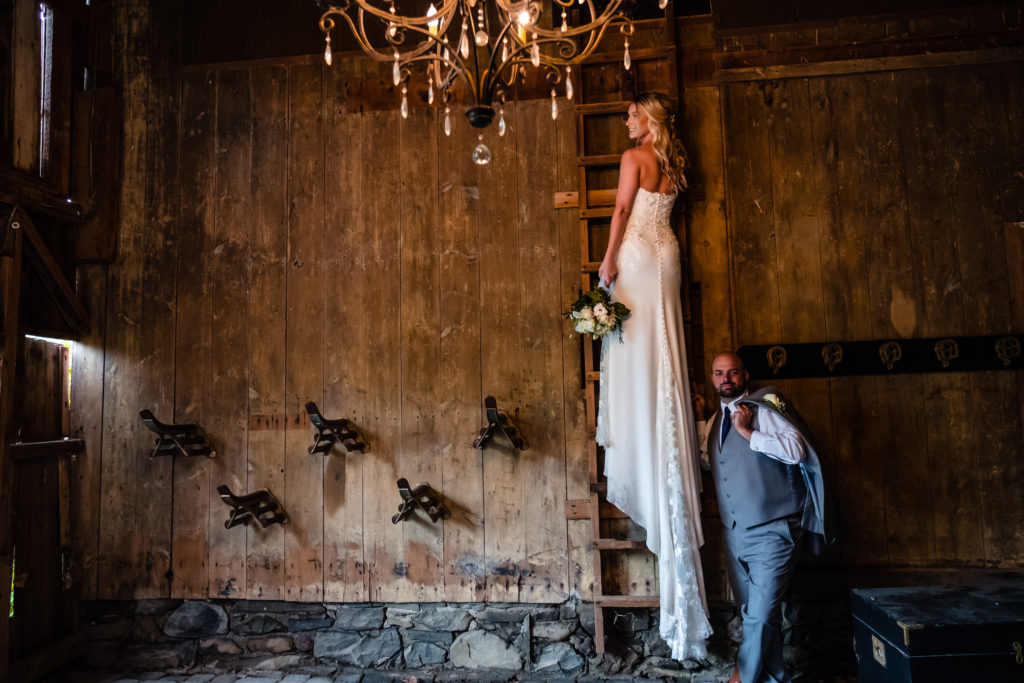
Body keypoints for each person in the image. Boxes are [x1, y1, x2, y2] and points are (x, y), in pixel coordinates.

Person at [595, 91, 712, 660]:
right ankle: (658, 431)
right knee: (664, 354)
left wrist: (608, 259)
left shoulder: (632, 157)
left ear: (649, 121)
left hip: (640, 253)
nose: (627, 121)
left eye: (633, 114)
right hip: (669, 254)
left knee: (636, 352)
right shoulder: (671, 163)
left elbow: (620, 212)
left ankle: (641, 436)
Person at [695, 352, 835, 683]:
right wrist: (702, 419)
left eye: (732, 372)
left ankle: (741, 677)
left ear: (745, 376)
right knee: (758, 614)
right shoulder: (717, 420)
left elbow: (796, 450)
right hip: (735, 533)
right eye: (718, 373)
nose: (725, 379)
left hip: (775, 530)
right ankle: (773, 677)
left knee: (758, 613)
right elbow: (709, 461)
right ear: (713, 379)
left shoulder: (764, 407)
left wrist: (747, 432)